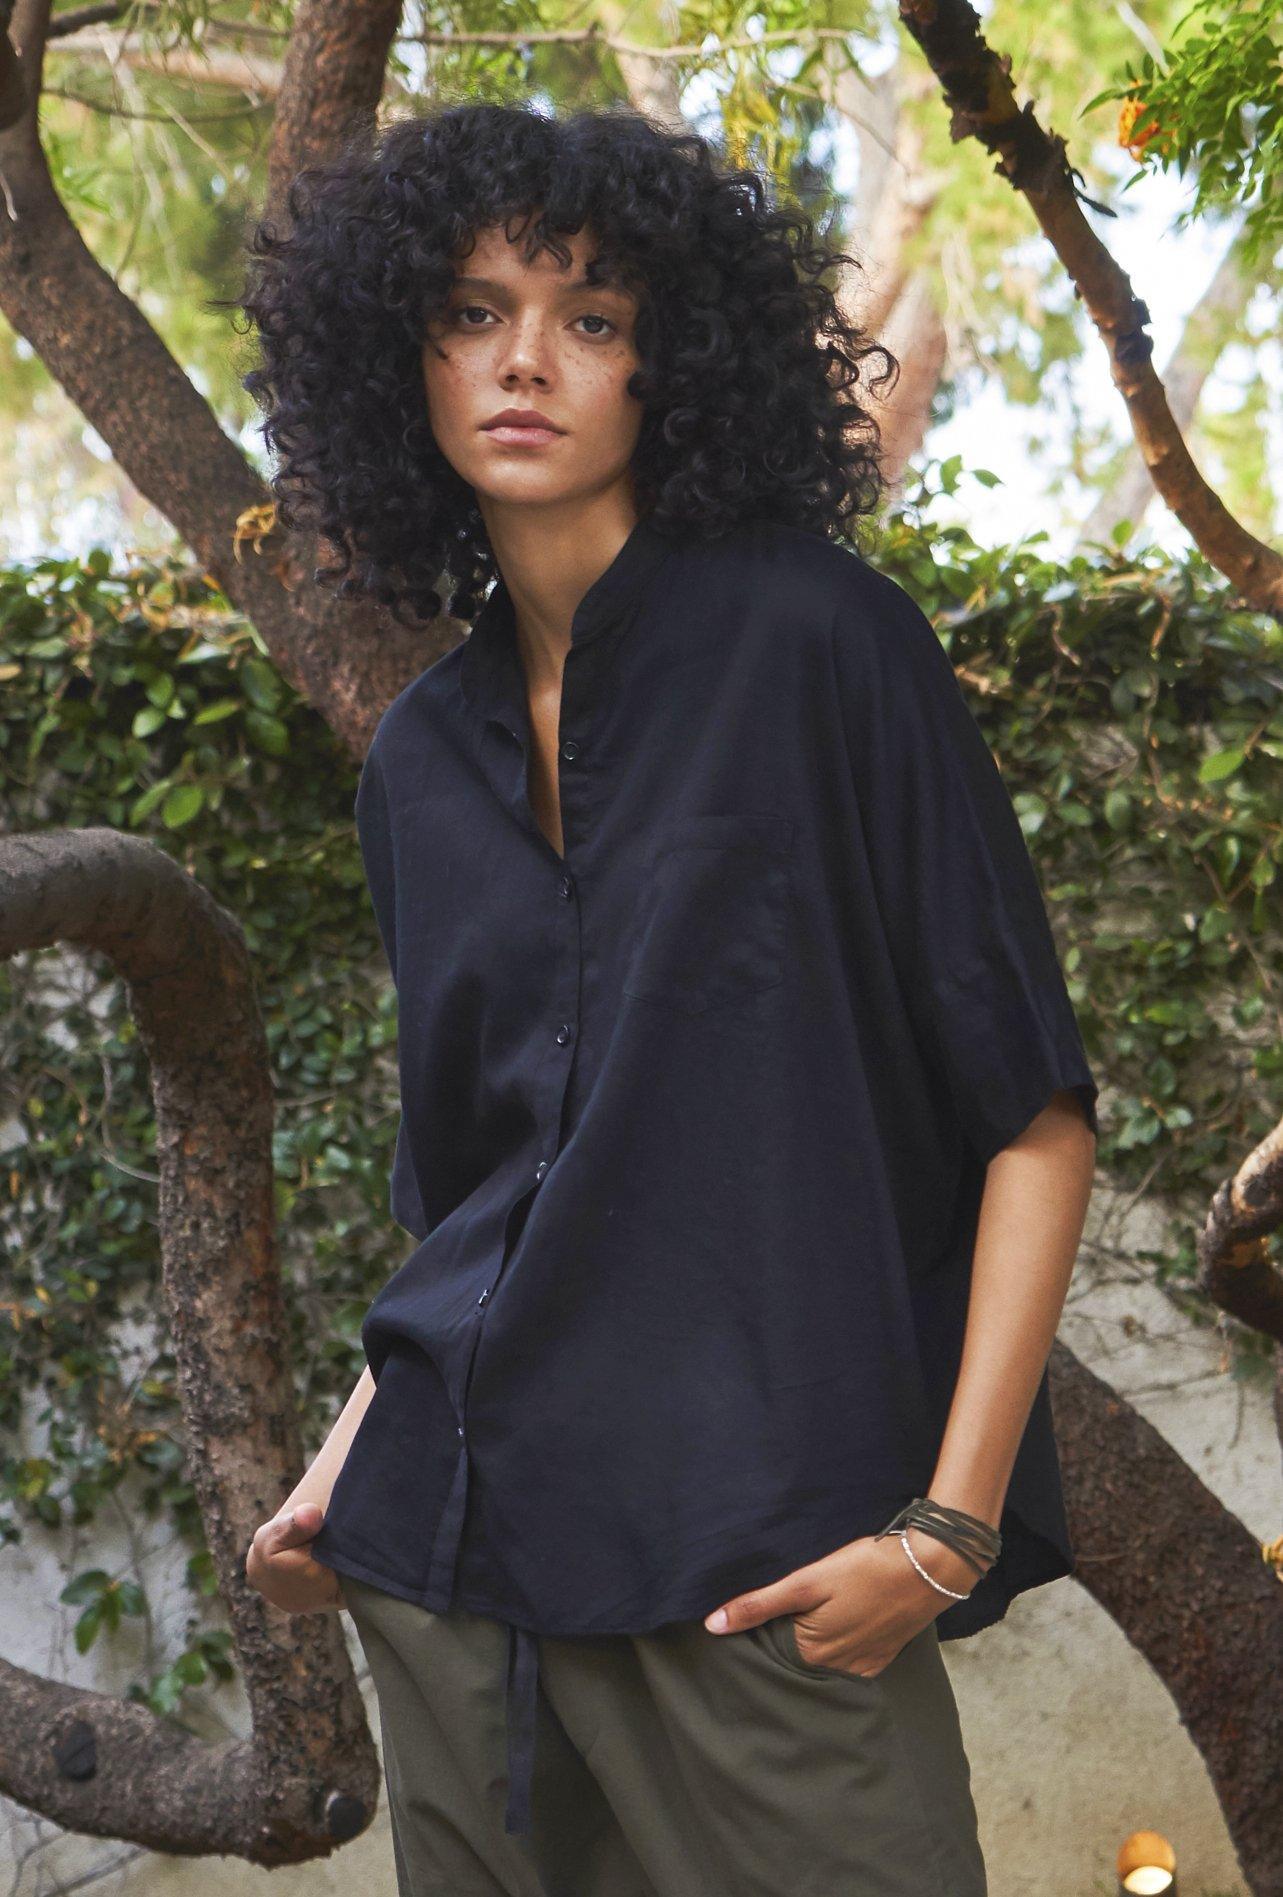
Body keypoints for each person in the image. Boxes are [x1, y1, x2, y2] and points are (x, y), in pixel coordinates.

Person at [236, 99, 1099, 1897]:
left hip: (760, 1567)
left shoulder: (823, 647)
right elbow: (475, 1195)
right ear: (400, 360)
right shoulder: (421, 762)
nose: (524, 362)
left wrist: (946, 1530)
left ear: (668, 365)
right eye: (471, 313)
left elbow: (1033, 1115)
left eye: (592, 316)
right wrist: (341, 1470)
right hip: (455, 1567)